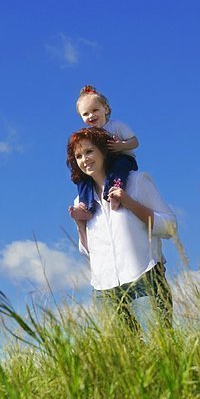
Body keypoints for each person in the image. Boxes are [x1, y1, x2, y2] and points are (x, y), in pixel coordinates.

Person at [67, 127, 176, 331]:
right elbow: (91, 252)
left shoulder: (136, 181)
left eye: (89, 152)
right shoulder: (81, 201)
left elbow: (170, 227)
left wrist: (129, 202)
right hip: (104, 291)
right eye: (78, 156)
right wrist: (80, 226)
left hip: (144, 278)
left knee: (161, 352)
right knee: (124, 361)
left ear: (104, 151)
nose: (84, 159)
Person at [70, 85, 139, 221]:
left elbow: (135, 142)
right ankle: (86, 206)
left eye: (95, 110)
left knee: (119, 167)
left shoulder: (116, 126)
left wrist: (121, 145)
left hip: (122, 157)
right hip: (104, 163)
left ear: (106, 109)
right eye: (86, 114)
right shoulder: (89, 134)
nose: (91, 115)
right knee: (83, 178)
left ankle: (115, 193)